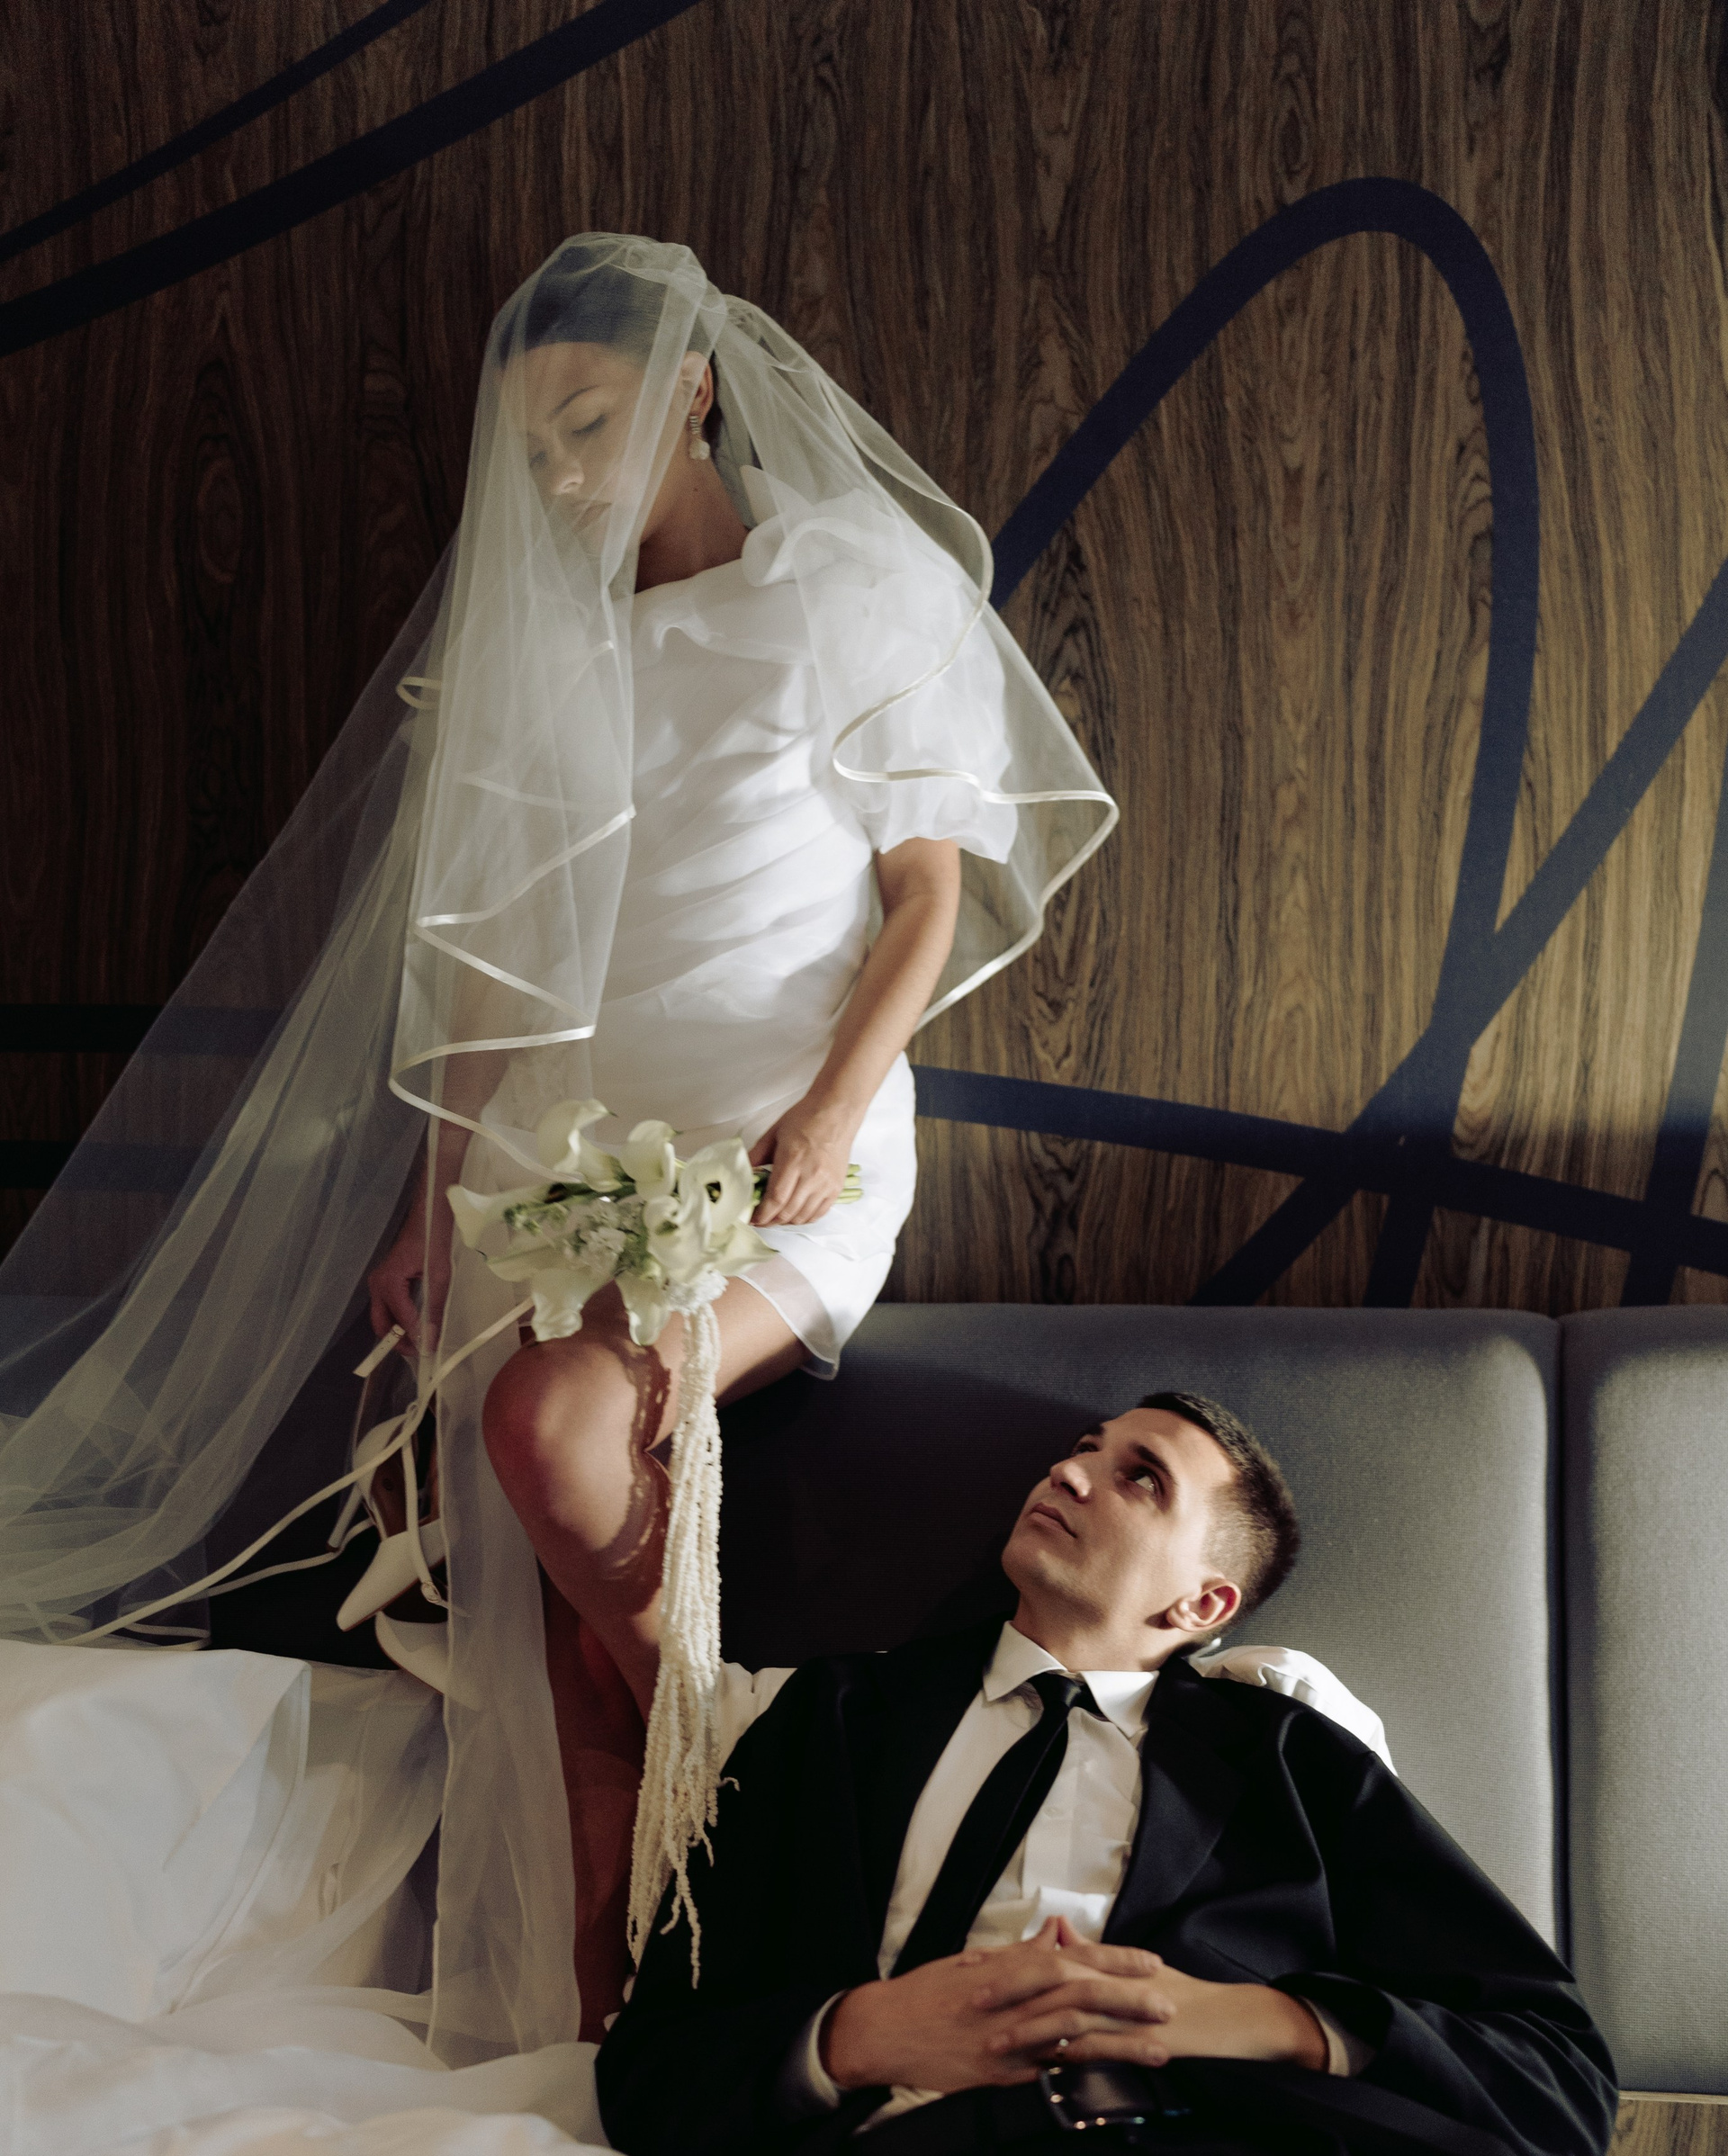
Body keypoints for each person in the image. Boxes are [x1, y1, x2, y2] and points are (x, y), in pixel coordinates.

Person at [0, 236, 1116, 2064]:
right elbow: (494, 980)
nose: (564, 477)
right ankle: (609, 2039)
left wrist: (834, 1107)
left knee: (550, 1429)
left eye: (591, 426)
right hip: (555, 1155)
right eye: (533, 452)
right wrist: (429, 1208)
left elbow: (927, 894)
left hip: (776, 1152)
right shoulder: (546, 637)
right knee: (539, 1637)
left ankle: (763, 1752)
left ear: (695, 390)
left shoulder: (847, 586)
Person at [597, 1390, 1728, 2156]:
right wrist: (863, 2034)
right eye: (1082, 1449)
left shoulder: (1293, 1761)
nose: (1072, 1471)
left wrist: (1247, 2020)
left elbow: (1556, 2077)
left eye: (1141, 1476)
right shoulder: (828, 1719)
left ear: (1201, 1607)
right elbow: (653, 2068)